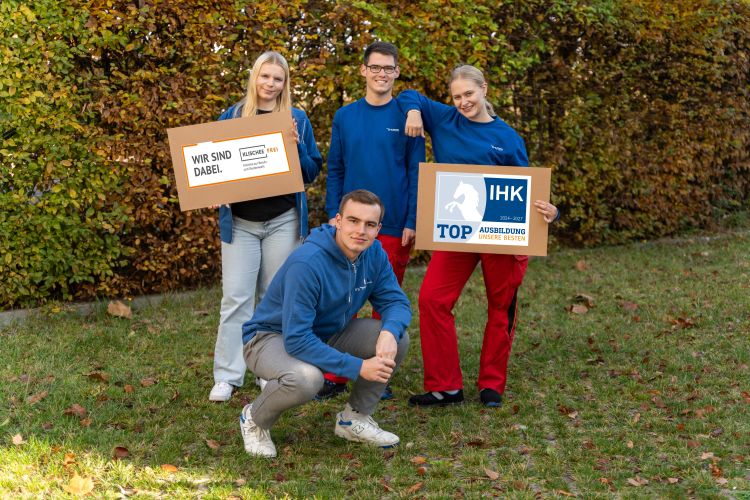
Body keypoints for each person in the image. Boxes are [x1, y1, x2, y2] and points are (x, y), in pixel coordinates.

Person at [399, 64, 559, 408]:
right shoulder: (444, 119)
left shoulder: (508, 138)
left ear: (484, 88)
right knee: (432, 299)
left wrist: (551, 212)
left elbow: (527, 190)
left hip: (497, 234)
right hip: (456, 232)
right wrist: (413, 111)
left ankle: (491, 384)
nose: (463, 102)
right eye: (456, 96)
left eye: (469, 94)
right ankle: (445, 387)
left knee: (501, 306)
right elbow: (410, 95)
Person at [238, 190, 411, 457]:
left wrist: (389, 331)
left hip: (326, 332)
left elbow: (396, 302)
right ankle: (254, 419)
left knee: (397, 338)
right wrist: (358, 367)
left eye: (369, 224)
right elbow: (297, 339)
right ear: (338, 221)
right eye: (353, 221)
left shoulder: (374, 253)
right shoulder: (307, 263)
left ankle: (354, 419)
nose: (360, 231)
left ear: (378, 229)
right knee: (307, 379)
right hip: (270, 337)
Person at [209, 51, 322, 402]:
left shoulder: (296, 119)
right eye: (265, 76)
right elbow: (213, 167)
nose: (270, 84)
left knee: (274, 298)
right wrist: (213, 192)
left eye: (278, 78)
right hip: (241, 224)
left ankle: (267, 368)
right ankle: (227, 375)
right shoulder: (232, 116)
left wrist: (297, 146)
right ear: (254, 77)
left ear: (285, 83)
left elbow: (311, 172)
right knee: (236, 298)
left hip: (283, 220)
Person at [320, 41, 425, 400]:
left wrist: (412, 218)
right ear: (363, 70)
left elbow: (417, 171)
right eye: (375, 67)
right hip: (350, 224)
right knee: (340, 300)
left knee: (385, 302)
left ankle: (379, 374)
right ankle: (335, 374)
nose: (382, 74)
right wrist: (334, 214)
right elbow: (336, 168)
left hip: (393, 224)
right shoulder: (345, 116)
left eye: (388, 68)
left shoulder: (408, 117)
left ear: (397, 72)